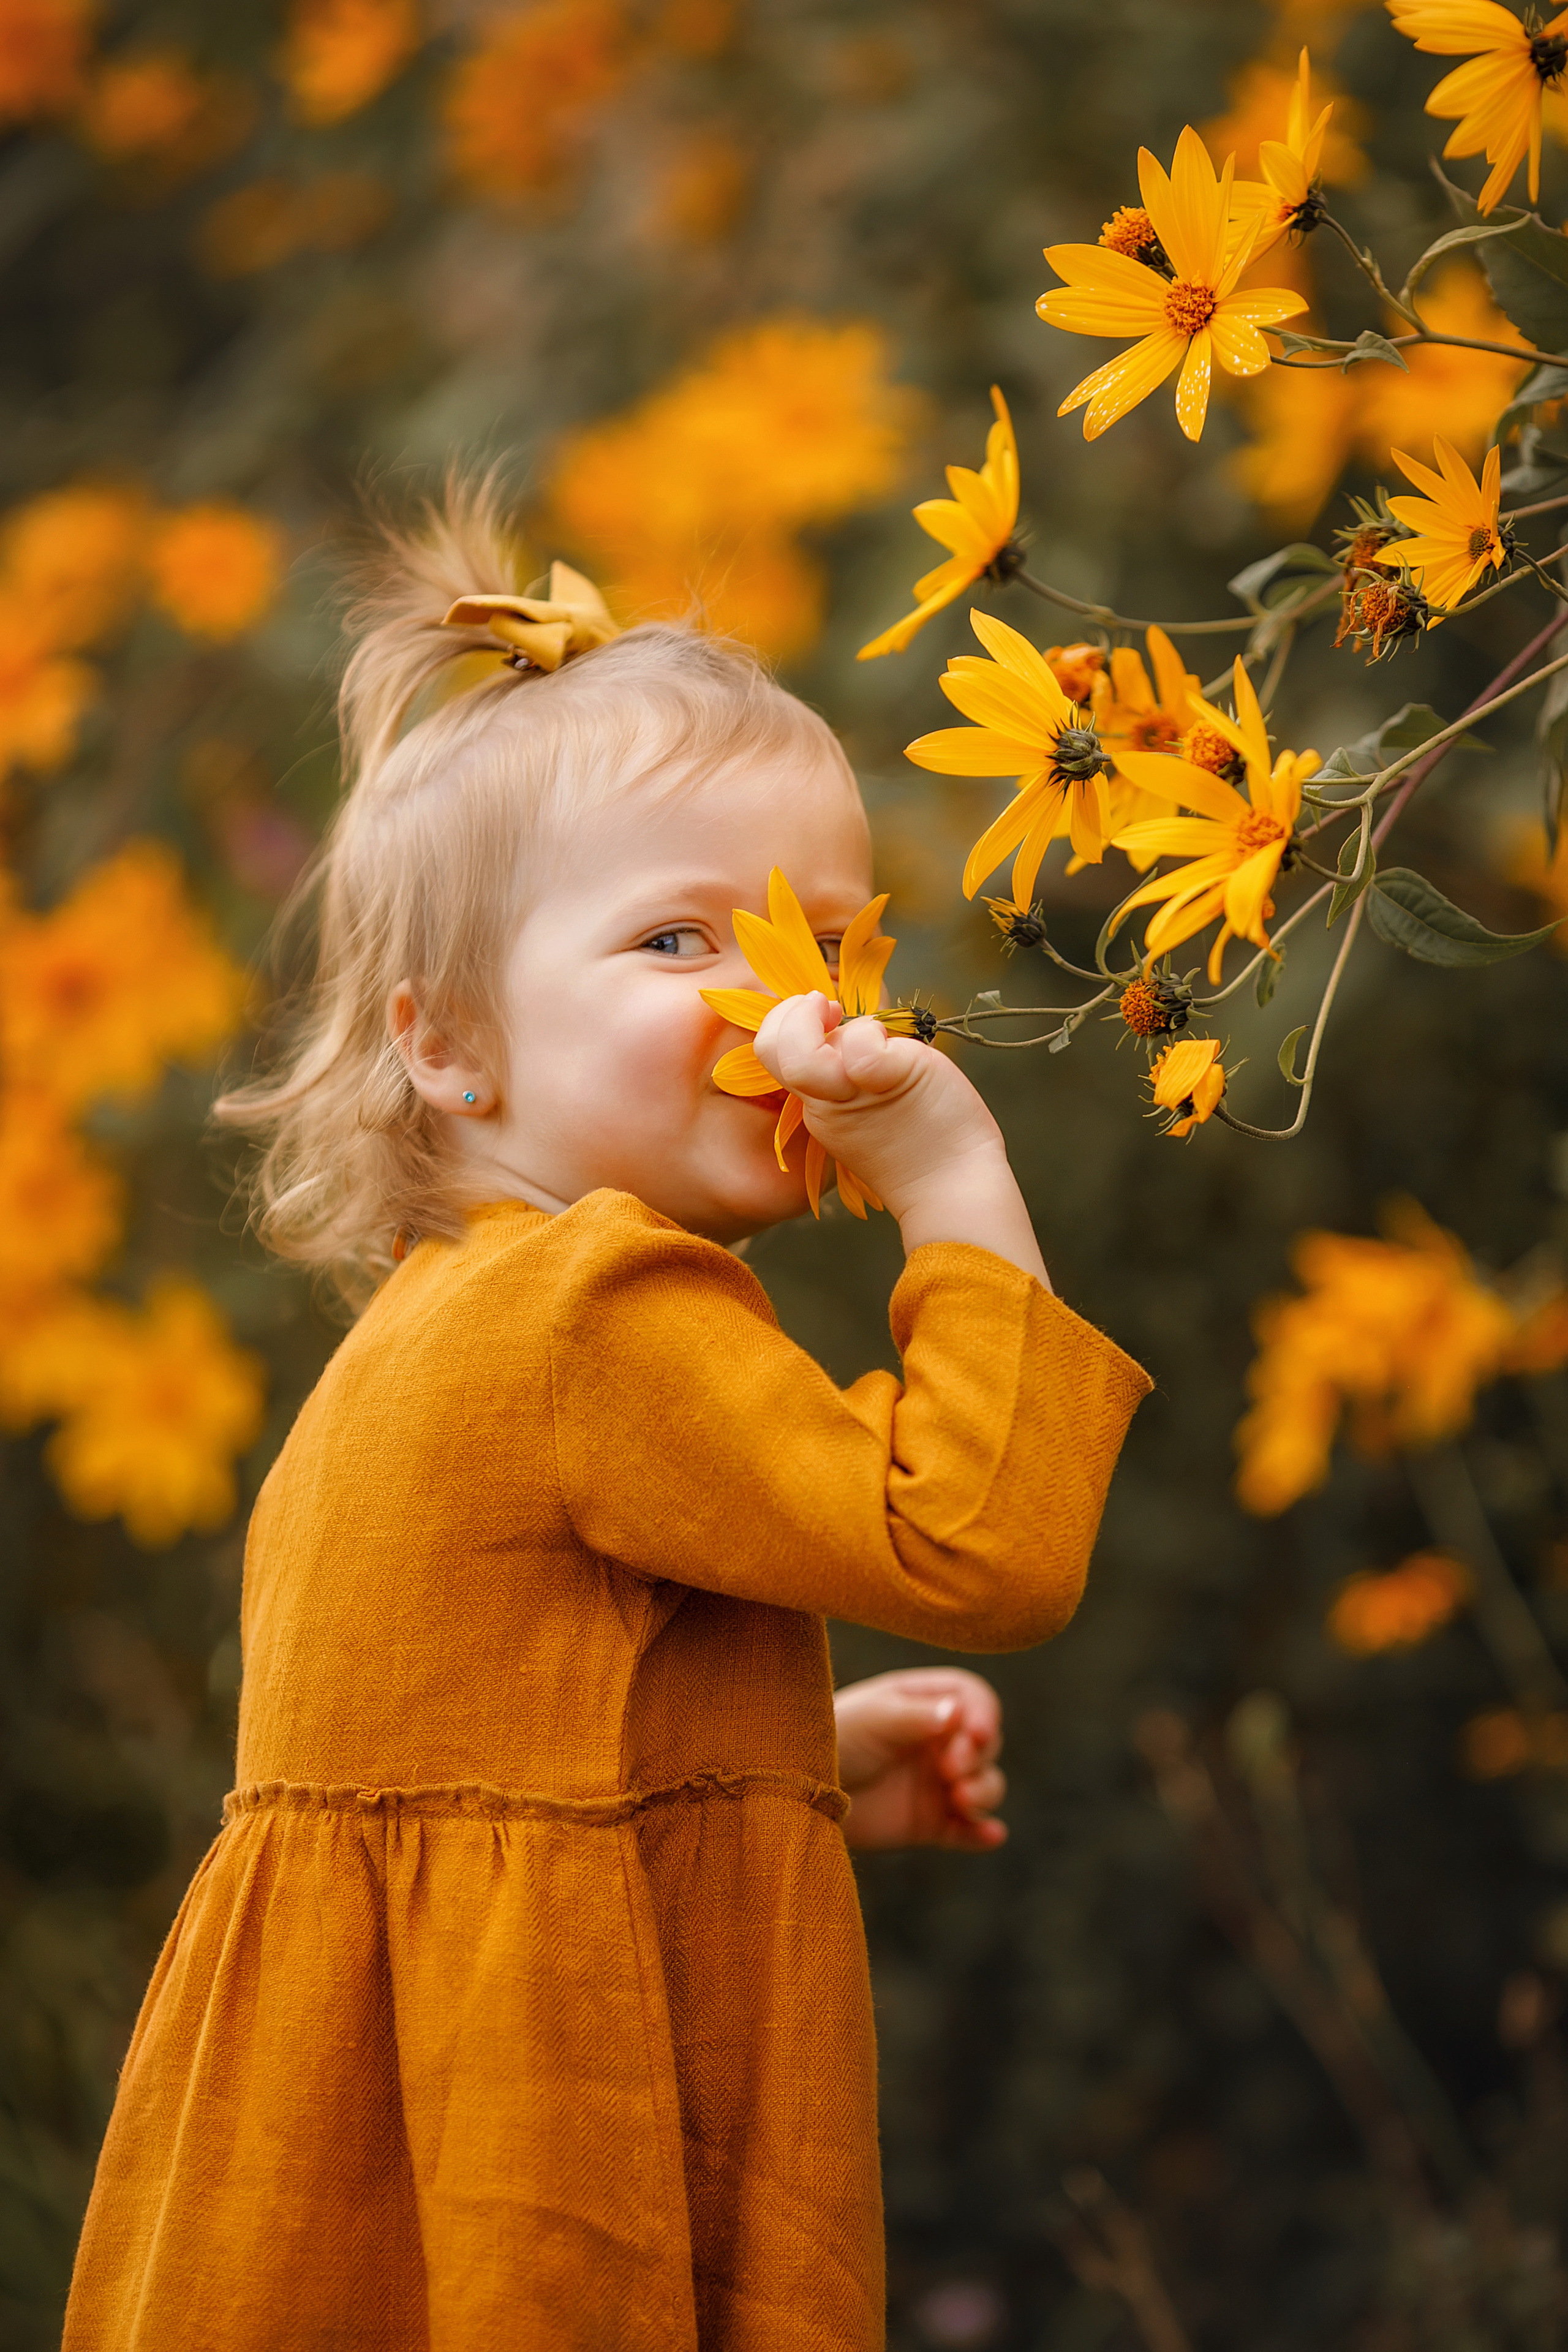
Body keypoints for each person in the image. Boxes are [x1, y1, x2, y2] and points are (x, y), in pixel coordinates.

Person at [63, 488, 1151, 2351]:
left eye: (826, 942)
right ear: (446, 1044)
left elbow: (482, 1737)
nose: (783, 1005)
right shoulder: (598, 1312)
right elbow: (978, 1542)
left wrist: (790, 1749)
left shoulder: (442, 1329)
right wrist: (954, 1172)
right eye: (676, 944)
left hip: (335, 2197)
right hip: (527, 2189)